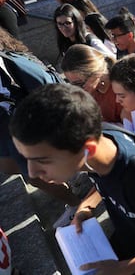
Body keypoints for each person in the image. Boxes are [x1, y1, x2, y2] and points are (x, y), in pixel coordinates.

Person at [9, 83, 135, 274]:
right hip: (129, 237)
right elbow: (106, 178)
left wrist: (126, 268)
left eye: (42, 160)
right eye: (26, 158)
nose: (32, 172)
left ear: (87, 150)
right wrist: (87, 206)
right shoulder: (99, 148)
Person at [0, 27, 81, 227]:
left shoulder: (8, 62)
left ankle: (77, 204)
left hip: (25, 126)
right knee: (17, 168)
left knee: (34, 177)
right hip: (10, 128)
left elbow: (46, 90)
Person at [60, 44, 122, 123]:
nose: (77, 90)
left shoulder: (121, 90)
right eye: (72, 85)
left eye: (79, 83)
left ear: (95, 74)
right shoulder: (90, 94)